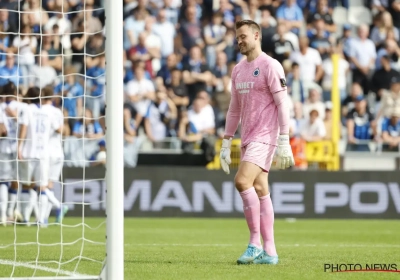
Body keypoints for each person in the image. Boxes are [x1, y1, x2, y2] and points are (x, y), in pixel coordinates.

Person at [219, 20, 294, 265]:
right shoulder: (238, 69)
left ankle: (254, 243)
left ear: (256, 35)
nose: (239, 41)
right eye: (237, 37)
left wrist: (284, 139)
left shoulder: (271, 66)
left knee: (242, 181)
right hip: (247, 137)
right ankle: (270, 252)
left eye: (243, 36)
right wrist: (225, 142)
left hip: (265, 135)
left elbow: (283, 104)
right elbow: (234, 109)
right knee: (261, 189)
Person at [17, 87, 61, 225]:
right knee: (42, 186)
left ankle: (25, 218)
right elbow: (59, 129)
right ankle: (42, 220)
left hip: (29, 152)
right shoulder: (48, 112)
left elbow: (24, 128)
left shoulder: (28, 109)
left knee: (26, 185)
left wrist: (19, 146)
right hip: (44, 153)